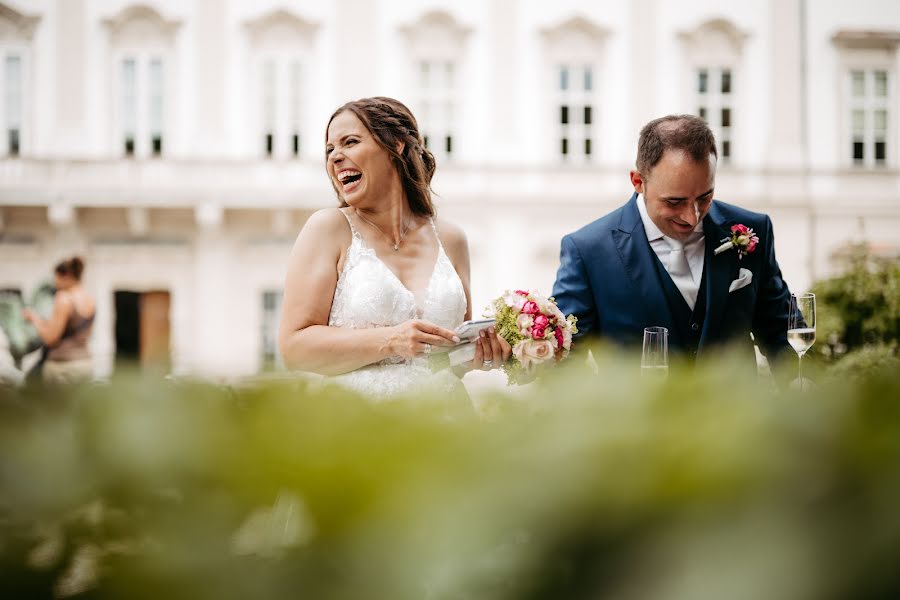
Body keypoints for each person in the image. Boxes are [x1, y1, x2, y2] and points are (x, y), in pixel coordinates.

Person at [279, 97, 510, 399]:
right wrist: (390, 340)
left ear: (397, 145)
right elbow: (294, 349)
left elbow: (445, 360)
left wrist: (478, 354)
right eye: (330, 149)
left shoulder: (452, 239)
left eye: (350, 142)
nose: (335, 157)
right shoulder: (328, 229)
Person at [552, 114, 792, 367]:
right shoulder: (588, 251)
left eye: (704, 197)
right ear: (638, 182)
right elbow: (565, 357)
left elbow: (781, 330)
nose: (692, 217)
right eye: (674, 202)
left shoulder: (754, 229)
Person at [23, 256, 95, 383]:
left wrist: (34, 319)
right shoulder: (89, 299)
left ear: (66, 276)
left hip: (63, 367)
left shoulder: (63, 298)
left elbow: (51, 339)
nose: (55, 283)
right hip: (85, 363)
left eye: (56, 278)